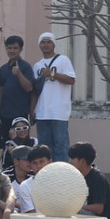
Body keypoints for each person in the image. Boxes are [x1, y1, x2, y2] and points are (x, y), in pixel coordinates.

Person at [32, 33, 77, 163]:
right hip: (42, 112)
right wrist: (32, 110)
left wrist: (52, 73)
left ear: (53, 44)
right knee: (44, 149)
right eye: (43, 42)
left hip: (59, 112)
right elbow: (35, 91)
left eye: (48, 42)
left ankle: (61, 174)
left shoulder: (63, 60)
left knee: (60, 146)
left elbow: (71, 80)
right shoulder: (37, 66)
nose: (45, 45)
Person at [69, 142, 110, 219]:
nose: (70, 161)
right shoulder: (77, 177)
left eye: (72, 158)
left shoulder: (98, 179)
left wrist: (77, 207)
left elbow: (99, 208)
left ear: (82, 161)